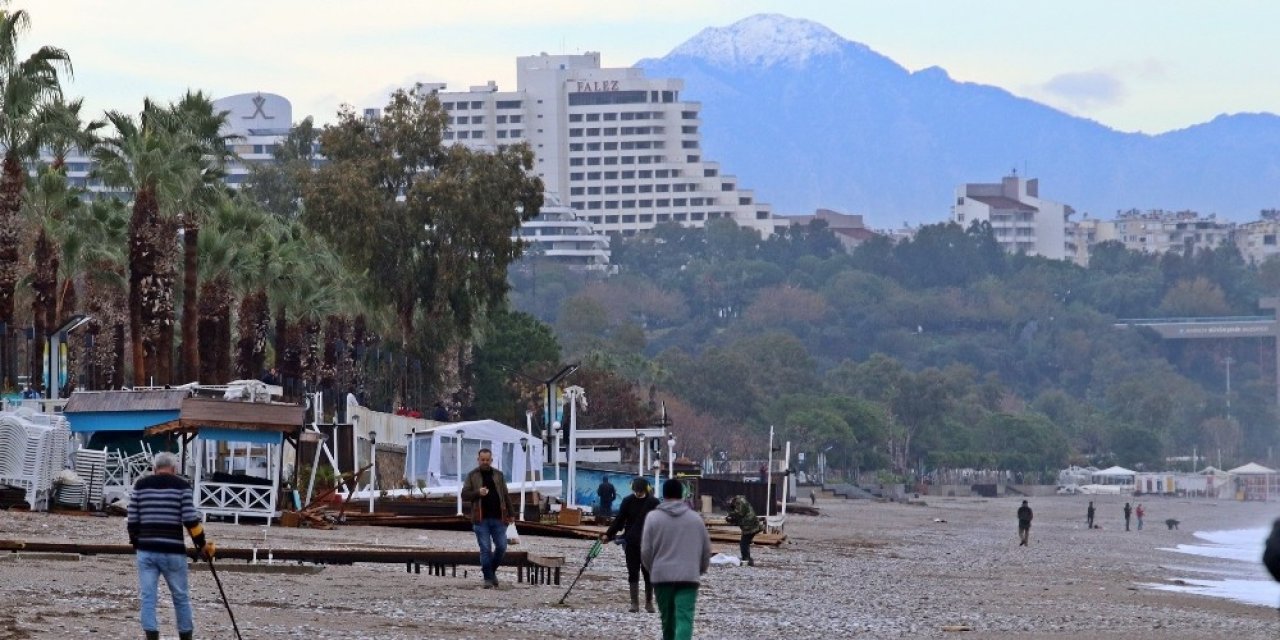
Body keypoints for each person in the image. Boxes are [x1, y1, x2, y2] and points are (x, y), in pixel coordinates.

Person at [127, 452, 215, 640]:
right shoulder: (182, 486)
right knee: (181, 596)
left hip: (147, 550)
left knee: (148, 596)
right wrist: (202, 546)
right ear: (174, 470)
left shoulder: (140, 486)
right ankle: (185, 636)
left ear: (154, 469)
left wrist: (137, 543)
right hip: (173, 550)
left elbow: (132, 520)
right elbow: (191, 521)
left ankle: (152, 635)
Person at [642, 479, 712, 640]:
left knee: (667, 621)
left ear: (663, 494)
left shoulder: (653, 518)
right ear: (682, 494)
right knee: (684, 619)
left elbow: (646, 550)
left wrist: (653, 570)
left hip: (661, 577)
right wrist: (699, 569)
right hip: (688, 577)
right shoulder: (695, 519)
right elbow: (706, 549)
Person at [601, 477, 661, 613]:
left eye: (640, 491)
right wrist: (608, 534)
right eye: (636, 490)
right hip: (631, 542)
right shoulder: (628, 501)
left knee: (648, 573)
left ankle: (649, 603)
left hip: (649, 544)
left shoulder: (654, 502)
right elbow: (619, 520)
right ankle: (634, 603)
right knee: (632, 572)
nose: (638, 493)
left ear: (645, 489)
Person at [461, 448, 513, 588]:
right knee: (485, 549)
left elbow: (506, 495)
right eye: (482, 459)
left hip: (499, 517)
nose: (484, 462)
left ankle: (489, 572)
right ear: (478, 460)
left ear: (491, 460)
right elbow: (464, 495)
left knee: (502, 547)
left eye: (487, 460)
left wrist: (511, 514)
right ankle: (488, 579)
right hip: (480, 518)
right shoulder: (472, 475)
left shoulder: (499, 475)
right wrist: (478, 492)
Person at [725, 495, 763, 566]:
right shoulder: (740, 501)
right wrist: (732, 519)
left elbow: (739, 514)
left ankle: (746, 559)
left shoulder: (739, 501)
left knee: (743, 543)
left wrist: (730, 516)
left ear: (731, 500)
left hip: (750, 526)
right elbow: (740, 516)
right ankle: (748, 559)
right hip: (751, 525)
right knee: (745, 543)